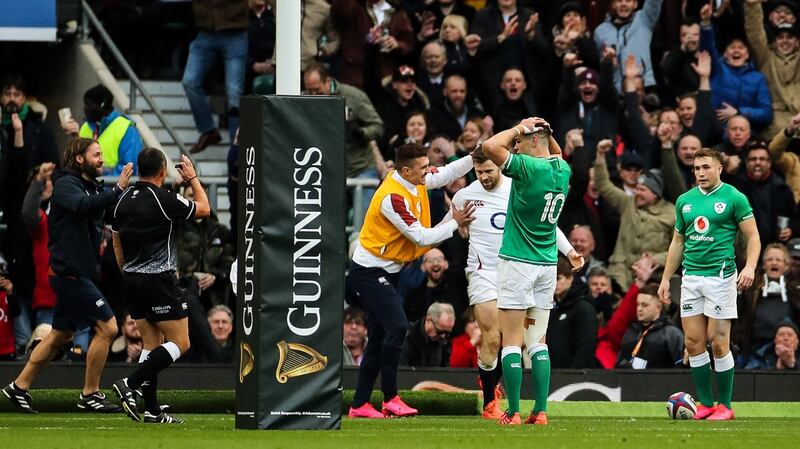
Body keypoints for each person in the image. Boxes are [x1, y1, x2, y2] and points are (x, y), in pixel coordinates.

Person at [2, 137, 133, 414]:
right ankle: (91, 394)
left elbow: (99, 208)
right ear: (79, 159)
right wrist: (118, 188)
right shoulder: (65, 185)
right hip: (70, 275)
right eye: (96, 155)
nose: (102, 160)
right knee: (108, 328)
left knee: (59, 336)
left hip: (76, 273)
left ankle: (18, 387)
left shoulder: (89, 186)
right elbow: (82, 206)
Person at [346, 142, 475, 418]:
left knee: (380, 336)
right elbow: (422, 237)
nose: (428, 172)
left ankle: (359, 404)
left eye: (428, 165)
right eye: (423, 168)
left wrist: (474, 157)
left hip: (388, 270)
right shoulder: (393, 198)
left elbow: (447, 172)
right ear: (405, 170)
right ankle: (391, 398)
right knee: (398, 326)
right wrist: (456, 222)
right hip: (369, 271)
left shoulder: (414, 178)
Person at [481, 117, 583, 425]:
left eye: (521, 142)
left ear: (533, 141)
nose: (515, 146)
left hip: (517, 263)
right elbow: (556, 153)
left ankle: (512, 411)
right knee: (538, 340)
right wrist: (543, 132)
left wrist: (519, 127)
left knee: (511, 341)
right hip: (546, 265)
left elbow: (488, 146)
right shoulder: (562, 171)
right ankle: (540, 411)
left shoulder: (527, 169)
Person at [658, 147, 761, 421]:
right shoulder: (685, 201)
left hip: (721, 276)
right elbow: (677, 242)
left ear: (719, 168)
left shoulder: (734, 198)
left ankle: (725, 405)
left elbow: (753, 237)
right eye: (696, 168)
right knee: (693, 343)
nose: (700, 173)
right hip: (691, 278)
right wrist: (667, 279)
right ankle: (705, 404)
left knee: (718, 342)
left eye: (706, 167)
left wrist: (749, 266)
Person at [111, 148, 211, 424]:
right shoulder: (164, 199)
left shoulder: (121, 202)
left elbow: (116, 241)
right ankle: (129, 384)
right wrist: (192, 178)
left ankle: (152, 410)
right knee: (181, 342)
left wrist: (127, 271)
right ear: (162, 170)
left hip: (130, 278)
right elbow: (204, 209)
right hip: (158, 280)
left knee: (151, 344)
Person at [595, 139, 675, 289]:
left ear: (655, 194)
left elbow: (680, 248)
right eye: (637, 188)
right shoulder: (627, 203)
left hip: (651, 280)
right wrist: (600, 156)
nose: (637, 193)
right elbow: (603, 186)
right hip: (620, 276)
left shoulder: (672, 214)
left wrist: (655, 259)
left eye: (642, 190)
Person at [181, 0, 248, 154]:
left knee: (234, 92)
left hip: (234, 30)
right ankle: (208, 130)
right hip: (206, 31)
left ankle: (236, 149)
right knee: (189, 82)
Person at [62, 84, 144, 175]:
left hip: (113, 187)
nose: (85, 108)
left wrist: (101, 185)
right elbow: (76, 162)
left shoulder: (126, 128)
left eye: (89, 104)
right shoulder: (85, 126)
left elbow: (129, 168)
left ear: (102, 105)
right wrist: (75, 137)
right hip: (87, 187)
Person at [616, 283, 684, 369]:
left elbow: (681, 368)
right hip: (629, 381)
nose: (639, 309)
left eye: (644, 305)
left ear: (658, 307)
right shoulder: (631, 331)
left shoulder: (671, 333)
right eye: (638, 304)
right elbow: (619, 363)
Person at [546, 257, 598, 369]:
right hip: (556, 375)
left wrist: (573, 375)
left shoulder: (583, 308)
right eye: (550, 279)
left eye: (557, 279)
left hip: (576, 378)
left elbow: (586, 348)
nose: (553, 284)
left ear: (569, 279)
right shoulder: (553, 308)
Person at [399, 302, 455, 368]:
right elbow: (402, 371)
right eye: (439, 331)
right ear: (428, 320)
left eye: (447, 333)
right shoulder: (408, 337)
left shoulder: (444, 342)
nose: (443, 336)